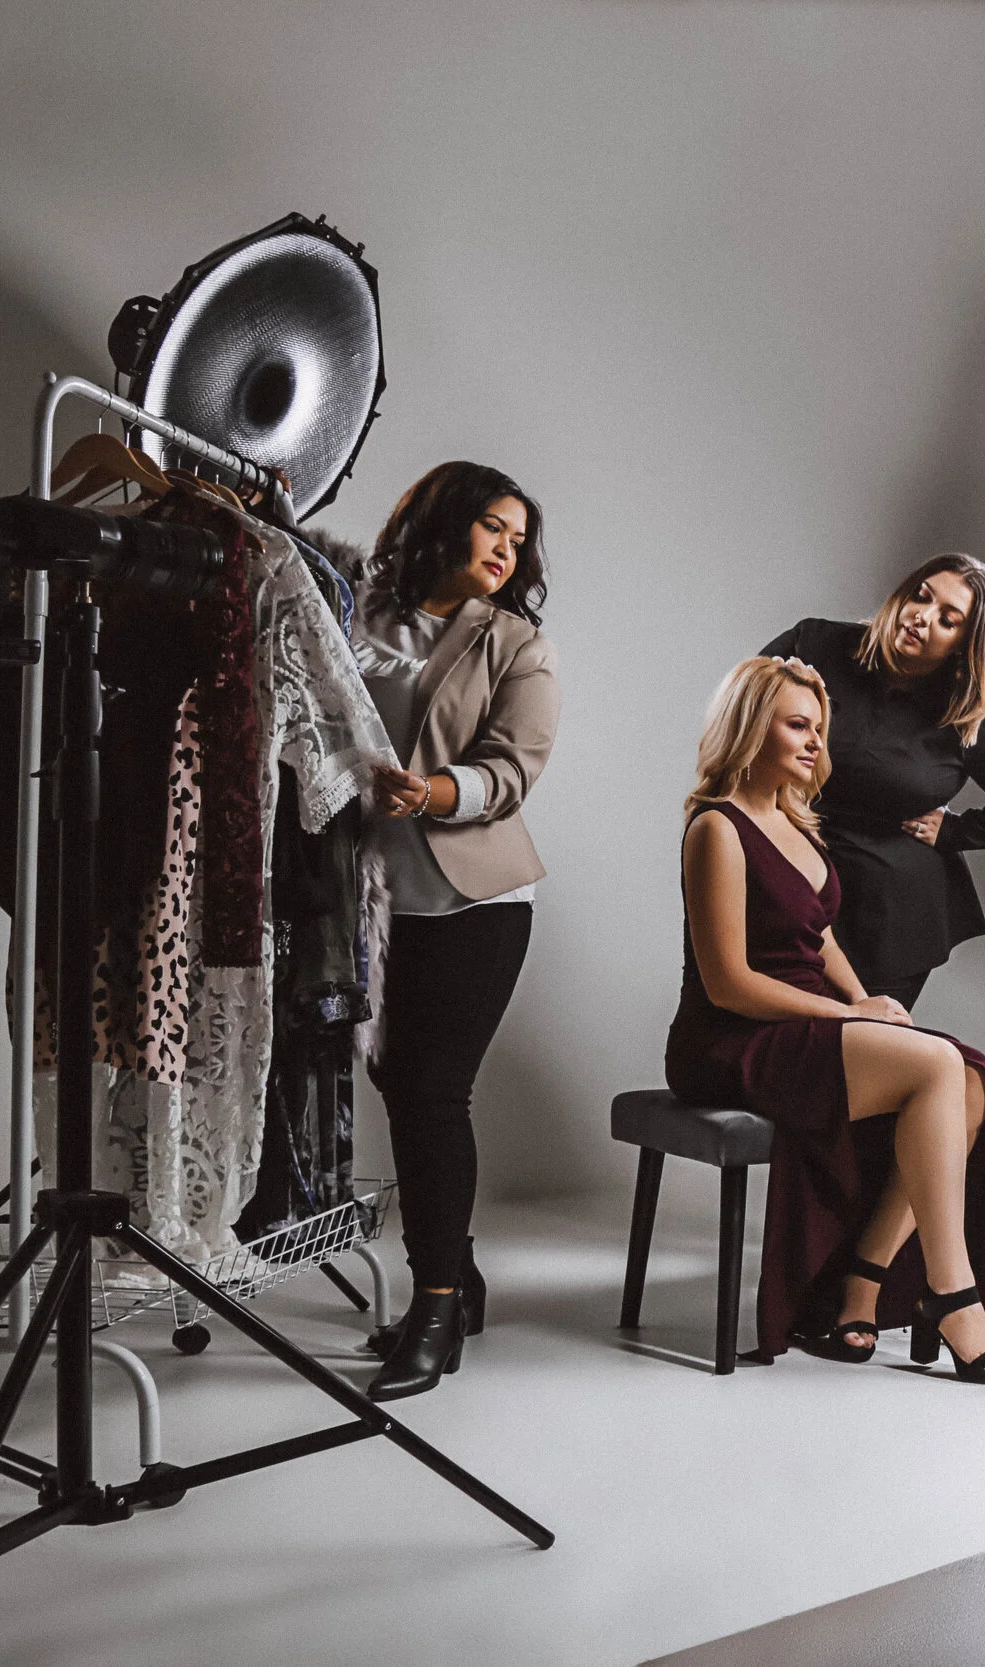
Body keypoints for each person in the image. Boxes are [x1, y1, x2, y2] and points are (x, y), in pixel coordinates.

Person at [665, 655, 985, 1382]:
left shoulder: (799, 823)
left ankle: (861, 1285)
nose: (813, 742)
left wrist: (872, 1005)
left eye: (818, 728)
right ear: (747, 725)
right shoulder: (717, 829)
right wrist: (848, 1014)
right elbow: (728, 982)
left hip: (805, 1022)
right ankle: (952, 1296)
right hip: (731, 1037)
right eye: (797, 724)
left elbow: (819, 937)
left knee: (972, 1081)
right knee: (936, 1066)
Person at [354, 461, 561, 1401]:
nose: (506, 550)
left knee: (434, 1093)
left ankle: (435, 1308)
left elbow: (514, 767)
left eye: (519, 540)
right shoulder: (354, 609)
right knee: (399, 1085)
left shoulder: (516, 643)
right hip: (366, 902)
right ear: (442, 519)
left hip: (476, 903)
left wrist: (432, 791)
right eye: (492, 527)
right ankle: (461, 1276)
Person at [761, 554, 985, 1011]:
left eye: (948, 619)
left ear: (965, 643)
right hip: (794, 873)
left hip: (891, 912)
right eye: (921, 596)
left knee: (856, 1054)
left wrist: (957, 831)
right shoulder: (815, 644)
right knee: (783, 1043)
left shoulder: (965, 707)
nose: (921, 617)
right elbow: (742, 719)